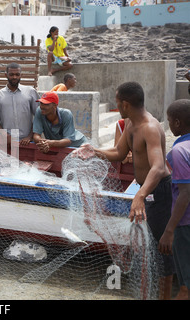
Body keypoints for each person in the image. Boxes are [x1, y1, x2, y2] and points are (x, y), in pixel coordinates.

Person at [73, 82, 174, 300]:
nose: (117, 106)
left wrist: (139, 196)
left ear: (125, 104)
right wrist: (94, 151)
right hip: (147, 192)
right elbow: (119, 152)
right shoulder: (129, 123)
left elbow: (157, 167)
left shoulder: (149, 127)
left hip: (160, 191)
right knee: (150, 246)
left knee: (162, 248)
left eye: (117, 102)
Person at [159, 99, 190, 300]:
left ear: (177, 123)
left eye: (169, 120)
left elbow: (185, 193)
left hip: (185, 224)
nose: (169, 124)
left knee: (186, 287)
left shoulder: (179, 152)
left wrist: (169, 230)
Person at [0, 63, 39, 146]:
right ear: (6, 75)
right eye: (11, 74)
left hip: (28, 142)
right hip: (7, 143)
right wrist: (5, 135)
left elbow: (39, 117)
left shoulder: (30, 91)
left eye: (17, 74)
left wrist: (30, 136)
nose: (14, 77)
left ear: (21, 75)